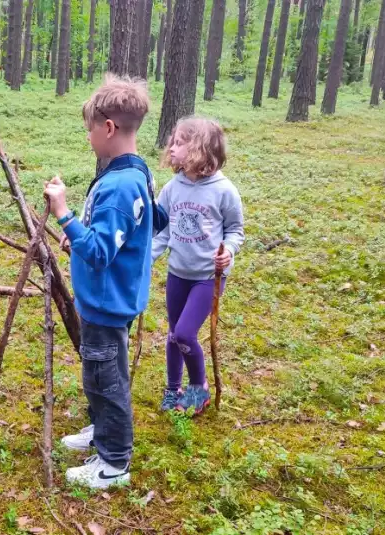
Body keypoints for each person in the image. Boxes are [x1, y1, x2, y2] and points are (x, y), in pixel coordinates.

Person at [43, 74, 158, 490]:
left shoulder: (119, 186)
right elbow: (126, 236)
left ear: (107, 127)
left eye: (90, 129)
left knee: (107, 379)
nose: (89, 137)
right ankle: (102, 430)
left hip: (106, 303)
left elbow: (100, 252)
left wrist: (64, 214)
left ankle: (114, 462)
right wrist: (80, 233)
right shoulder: (135, 174)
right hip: (110, 297)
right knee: (98, 373)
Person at [152, 117, 245, 415]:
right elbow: (161, 230)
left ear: (201, 150)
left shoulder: (224, 190)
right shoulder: (171, 189)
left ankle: (198, 388)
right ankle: (172, 388)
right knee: (173, 333)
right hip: (177, 272)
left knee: (184, 333)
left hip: (208, 278)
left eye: (181, 142)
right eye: (173, 141)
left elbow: (235, 231)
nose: (172, 147)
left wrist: (228, 251)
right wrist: (146, 258)